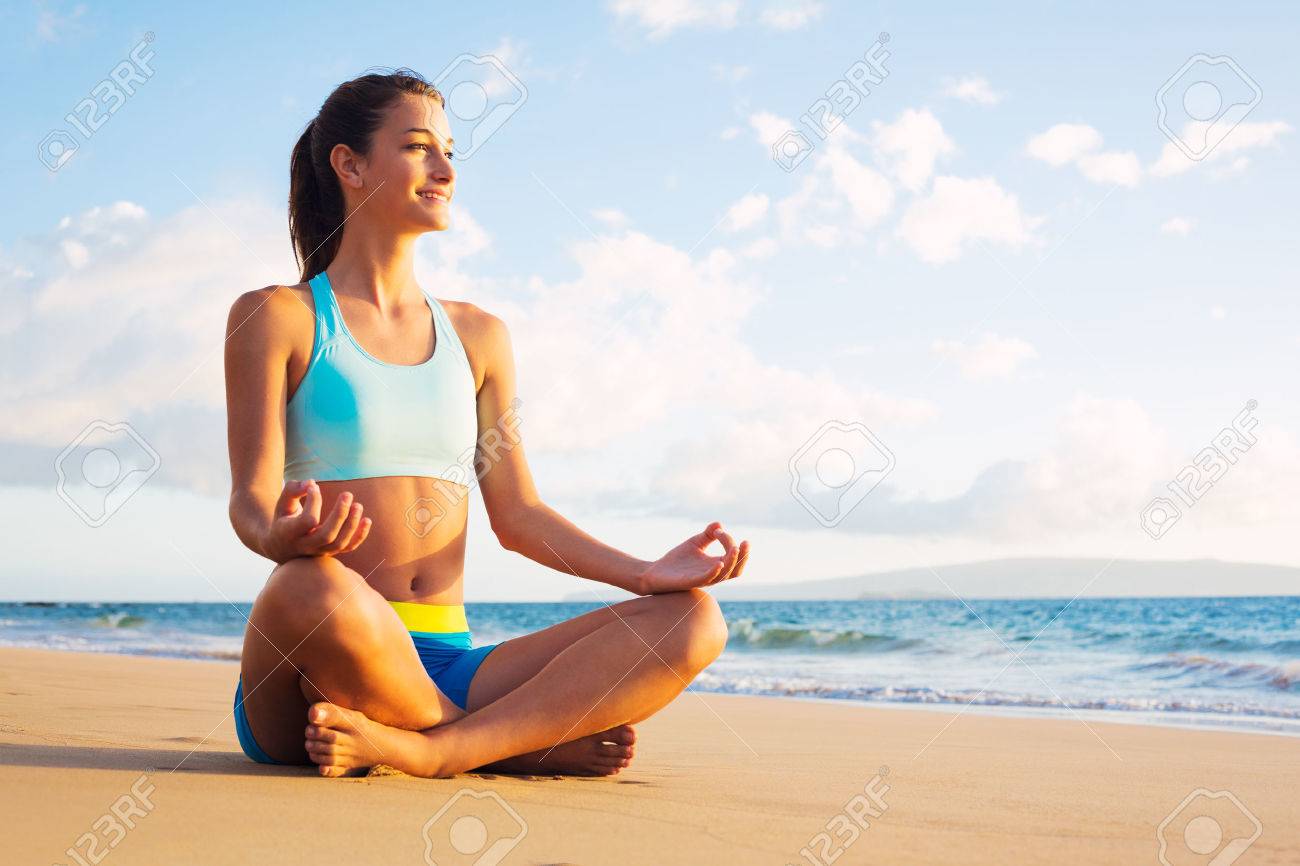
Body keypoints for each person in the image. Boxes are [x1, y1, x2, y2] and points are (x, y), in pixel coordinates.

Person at [223, 68, 750, 778]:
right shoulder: (277, 317)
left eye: (449, 152)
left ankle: (433, 747)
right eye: (417, 147)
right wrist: (279, 536)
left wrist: (647, 573)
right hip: (314, 660)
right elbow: (251, 500)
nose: (444, 169)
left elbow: (519, 515)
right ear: (348, 164)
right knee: (307, 586)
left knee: (693, 619)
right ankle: (509, 743)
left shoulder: (479, 335)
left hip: (449, 659)